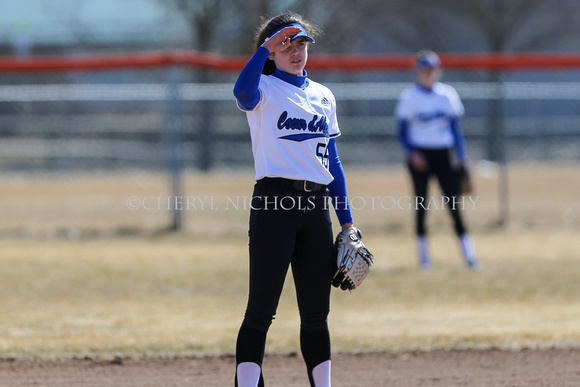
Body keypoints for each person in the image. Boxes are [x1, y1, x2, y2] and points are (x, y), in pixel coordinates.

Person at [232, 12, 354, 387]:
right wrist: (266, 49)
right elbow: (241, 92)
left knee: (317, 314)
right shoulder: (264, 90)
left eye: (301, 44)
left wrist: (347, 222)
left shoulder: (323, 95)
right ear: (271, 53)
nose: (296, 51)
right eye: (287, 45)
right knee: (261, 311)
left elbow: (331, 160)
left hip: (316, 209)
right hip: (273, 206)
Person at [395, 50, 481, 272]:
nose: (428, 74)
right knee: (421, 205)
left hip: (444, 155)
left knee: (454, 205)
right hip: (420, 156)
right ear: (417, 71)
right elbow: (402, 132)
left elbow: (456, 129)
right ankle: (424, 259)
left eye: (432, 70)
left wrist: (462, 157)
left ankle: (469, 256)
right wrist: (412, 153)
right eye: (424, 70)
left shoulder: (447, 95)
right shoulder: (409, 97)